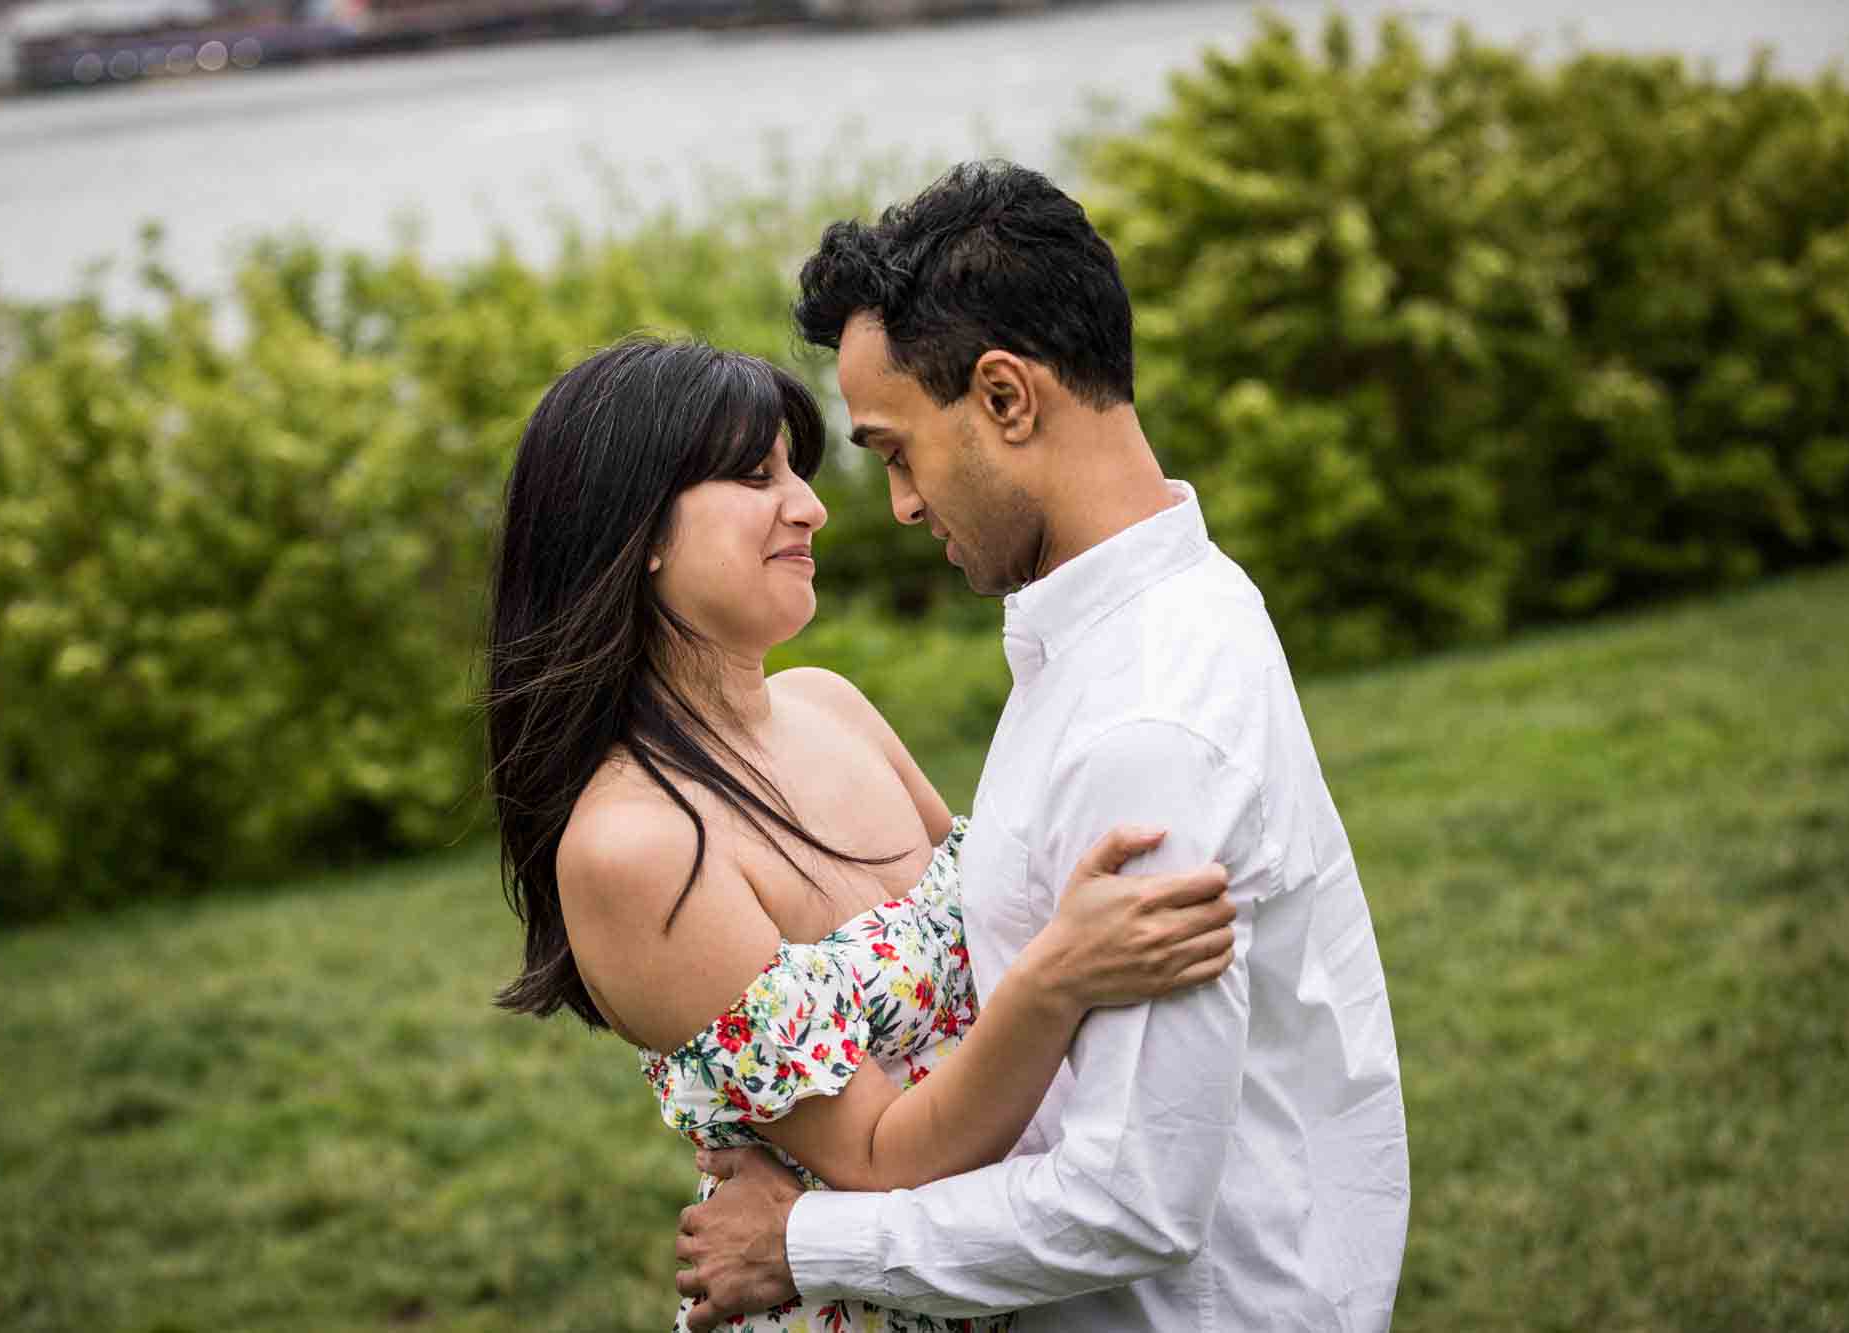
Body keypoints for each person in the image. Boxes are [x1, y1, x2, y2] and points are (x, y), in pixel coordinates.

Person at [674, 161, 1411, 1332]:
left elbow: (1129, 1200)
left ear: (1006, 399)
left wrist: (803, 1243)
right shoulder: (1163, 611)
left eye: (896, 450)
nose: (901, 505)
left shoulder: (1143, 725)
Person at [484, 335, 1242, 1333]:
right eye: (756, 475)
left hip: (1022, 1268)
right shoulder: (633, 845)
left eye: (796, 470)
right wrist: (1062, 975)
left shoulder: (831, 706)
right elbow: (881, 1155)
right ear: (637, 528)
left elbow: (997, 917)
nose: (809, 505)